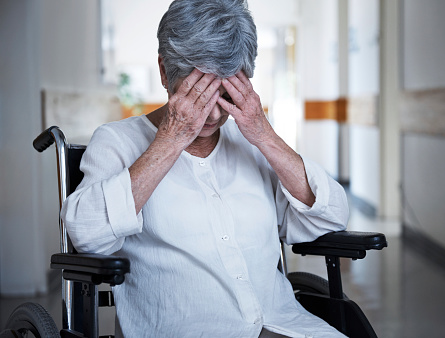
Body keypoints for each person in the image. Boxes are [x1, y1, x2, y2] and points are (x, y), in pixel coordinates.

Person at [62, 0, 349, 337]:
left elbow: (330, 214)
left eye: (225, 95)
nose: (212, 116)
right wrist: (170, 140)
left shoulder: (250, 142)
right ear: (165, 73)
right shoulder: (116, 142)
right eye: (199, 95)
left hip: (284, 324)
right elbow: (87, 236)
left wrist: (264, 135)